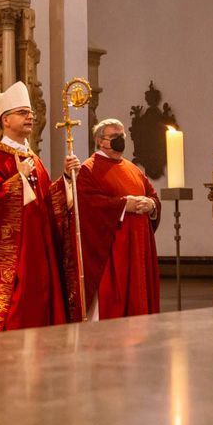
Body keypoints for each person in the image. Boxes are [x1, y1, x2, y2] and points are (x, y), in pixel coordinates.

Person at [0, 81, 82, 335]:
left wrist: (67, 178)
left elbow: (46, 200)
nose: (30, 117)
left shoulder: (32, 158)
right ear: (5, 120)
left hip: (39, 246)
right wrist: (18, 180)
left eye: (31, 113)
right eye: (23, 113)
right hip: (14, 252)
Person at [77, 119, 162, 319]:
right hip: (113, 250)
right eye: (114, 138)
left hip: (139, 247)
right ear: (100, 142)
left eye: (122, 137)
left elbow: (153, 196)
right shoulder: (88, 169)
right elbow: (88, 205)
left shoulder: (133, 169)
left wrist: (151, 206)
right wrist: (123, 205)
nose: (120, 141)